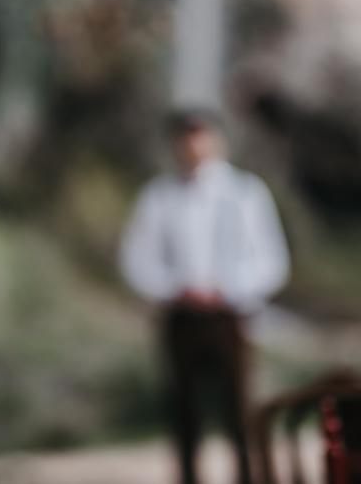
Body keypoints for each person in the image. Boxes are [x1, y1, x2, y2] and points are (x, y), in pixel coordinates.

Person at [120, 107, 291, 484]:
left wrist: (227, 290)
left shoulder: (246, 193)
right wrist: (174, 289)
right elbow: (137, 258)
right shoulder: (159, 197)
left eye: (201, 136)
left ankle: (248, 476)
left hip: (231, 317)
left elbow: (271, 260)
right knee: (184, 413)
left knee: (238, 410)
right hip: (181, 318)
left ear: (218, 140)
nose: (194, 146)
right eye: (186, 138)